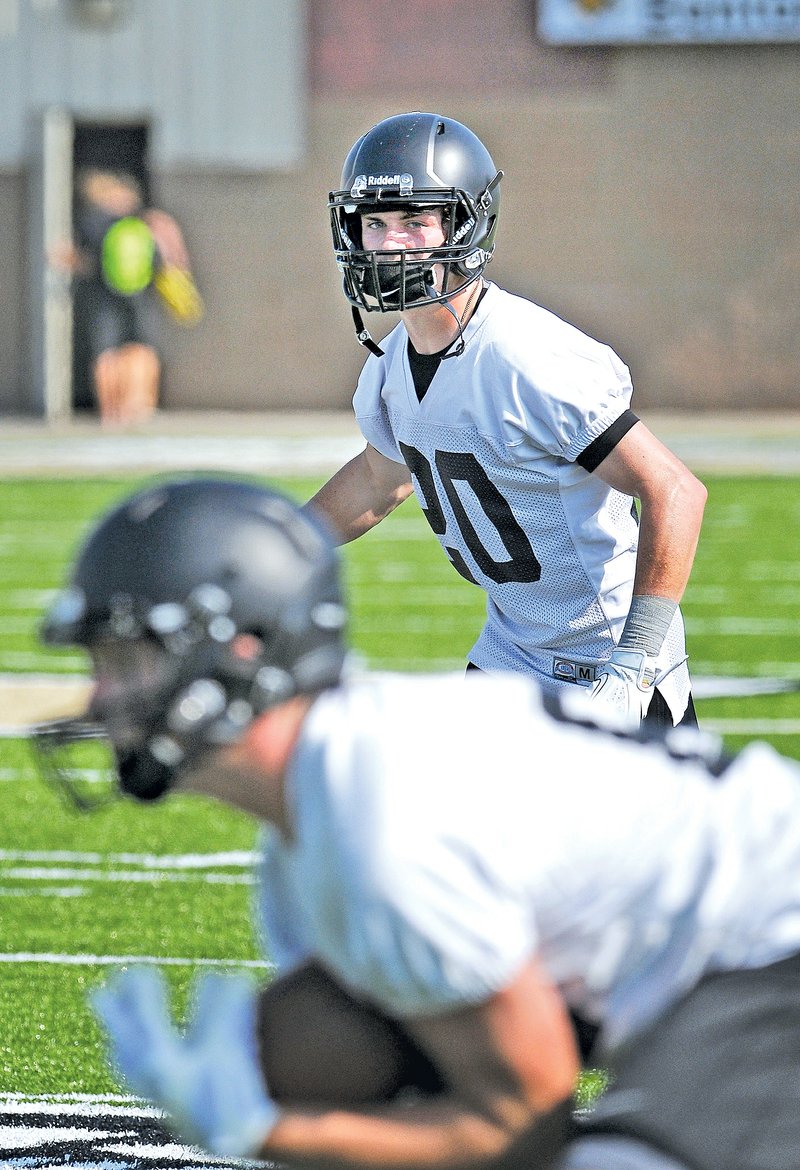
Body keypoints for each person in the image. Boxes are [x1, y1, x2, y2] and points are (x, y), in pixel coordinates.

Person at [34, 476, 800, 1170]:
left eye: (128, 661)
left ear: (244, 651)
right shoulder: (319, 818)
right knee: (298, 1045)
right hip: (708, 967)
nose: (101, 699)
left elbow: (522, 1124)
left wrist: (265, 1134)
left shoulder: (381, 816)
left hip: (773, 946)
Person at [308, 111, 708, 729]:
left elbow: (674, 489)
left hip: (602, 660)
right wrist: (271, 548)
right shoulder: (390, 365)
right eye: (376, 223)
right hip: (509, 653)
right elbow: (377, 479)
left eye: (416, 222)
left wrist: (634, 664)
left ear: (466, 226)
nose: (390, 244)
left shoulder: (525, 356)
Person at [52, 167, 201, 426]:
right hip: (139, 294)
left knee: (107, 354)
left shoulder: (91, 221)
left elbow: (72, 257)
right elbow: (170, 257)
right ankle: (139, 407)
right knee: (140, 350)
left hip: (101, 296)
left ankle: (111, 412)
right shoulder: (145, 220)